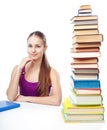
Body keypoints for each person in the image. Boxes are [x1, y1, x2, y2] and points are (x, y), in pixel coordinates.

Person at [6, 31, 62, 106]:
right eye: (30, 46)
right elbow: (10, 97)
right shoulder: (17, 68)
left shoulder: (52, 72)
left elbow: (57, 100)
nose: (33, 50)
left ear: (45, 48)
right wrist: (19, 69)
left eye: (38, 46)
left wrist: (26, 98)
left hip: (43, 114)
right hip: (21, 113)